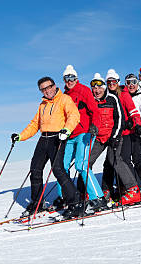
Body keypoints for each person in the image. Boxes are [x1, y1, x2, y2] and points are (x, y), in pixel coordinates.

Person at [10, 76, 82, 218]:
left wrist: (66, 130)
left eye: (48, 87)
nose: (47, 91)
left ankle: (75, 202)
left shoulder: (64, 99)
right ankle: (37, 203)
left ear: (54, 86)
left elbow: (74, 115)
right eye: (43, 89)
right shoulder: (42, 105)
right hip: (44, 139)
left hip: (58, 137)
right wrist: (20, 136)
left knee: (58, 170)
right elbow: (34, 125)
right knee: (35, 170)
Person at [86, 73, 141, 206]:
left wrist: (116, 136)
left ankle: (133, 190)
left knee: (115, 160)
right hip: (99, 137)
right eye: (94, 88)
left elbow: (120, 118)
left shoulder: (114, 98)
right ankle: (92, 192)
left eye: (99, 87)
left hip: (114, 135)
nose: (97, 90)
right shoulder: (91, 100)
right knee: (86, 162)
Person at [51, 65, 104, 213]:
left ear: (77, 78)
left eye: (72, 78)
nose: (69, 81)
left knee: (81, 165)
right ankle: (67, 198)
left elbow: (95, 111)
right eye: (66, 78)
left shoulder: (84, 90)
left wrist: (94, 126)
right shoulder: (64, 96)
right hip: (69, 136)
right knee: (61, 167)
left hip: (85, 133)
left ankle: (98, 198)